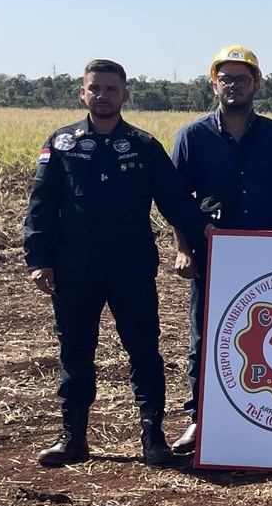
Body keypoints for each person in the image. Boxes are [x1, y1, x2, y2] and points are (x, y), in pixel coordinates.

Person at [23, 59, 209, 468]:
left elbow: (175, 202)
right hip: (74, 268)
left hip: (131, 267)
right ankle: (73, 437)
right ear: (82, 93)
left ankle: (152, 437)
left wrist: (210, 234)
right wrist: (38, 259)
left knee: (144, 352)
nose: (103, 96)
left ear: (126, 94)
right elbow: (41, 205)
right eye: (95, 89)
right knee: (75, 352)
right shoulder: (62, 143)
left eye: (111, 89)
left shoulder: (144, 146)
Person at [169, 45, 272, 457]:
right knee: (206, 334)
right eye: (225, 79)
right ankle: (200, 418)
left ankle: (262, 414)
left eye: (241, 79)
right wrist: (184, 250)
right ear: (214, 84)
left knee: (266, 333)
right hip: (213, 250)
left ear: (257, 84)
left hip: (265, 252)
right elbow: (178, 200)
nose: (233, 86)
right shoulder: (193, 136)